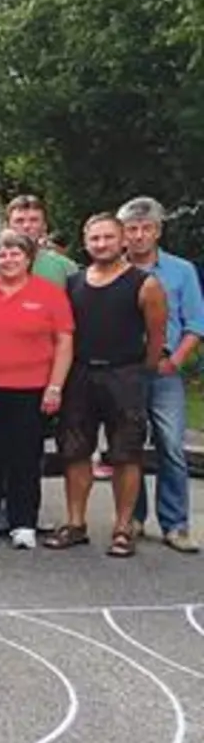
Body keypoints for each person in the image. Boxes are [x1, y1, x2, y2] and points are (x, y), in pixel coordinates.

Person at [47, 213, 167, 558]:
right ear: (86, 242)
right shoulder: (72, 283)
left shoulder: (145, 284)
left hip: (124, 374)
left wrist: (139, 371)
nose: (101, 244)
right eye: (95, 238)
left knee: (126, 453)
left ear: (123, 241)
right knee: (74, 451)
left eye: (108, 238)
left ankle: (123, 527)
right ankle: (75, 523)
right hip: (80, 375)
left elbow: (156, 337)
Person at [0, 229, 73, 549]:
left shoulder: (50, 294)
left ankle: (23, 521)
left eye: (15, 254)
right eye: (2, 255)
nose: (8, 260)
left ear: (29, 258)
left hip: (31, 388)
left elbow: (64, 341)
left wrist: (55, 386)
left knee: (25, 457)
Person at [117, 197, 204, 553]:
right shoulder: (112, 269)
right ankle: (132, 517)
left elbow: (196, 323)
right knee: (128, 445)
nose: (138, 236)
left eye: (146, 229)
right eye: (131, 230)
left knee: (170, 446)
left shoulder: (181, 270)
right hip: (124, 370)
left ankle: (175, 524)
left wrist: (177, 360)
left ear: (157, 231)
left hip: (164, 369)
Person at [0, 195, 79, 286]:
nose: (27, 226)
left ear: (44, 226)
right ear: (7, 226)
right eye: (19, 221)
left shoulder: (65, 267)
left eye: (34, 220)